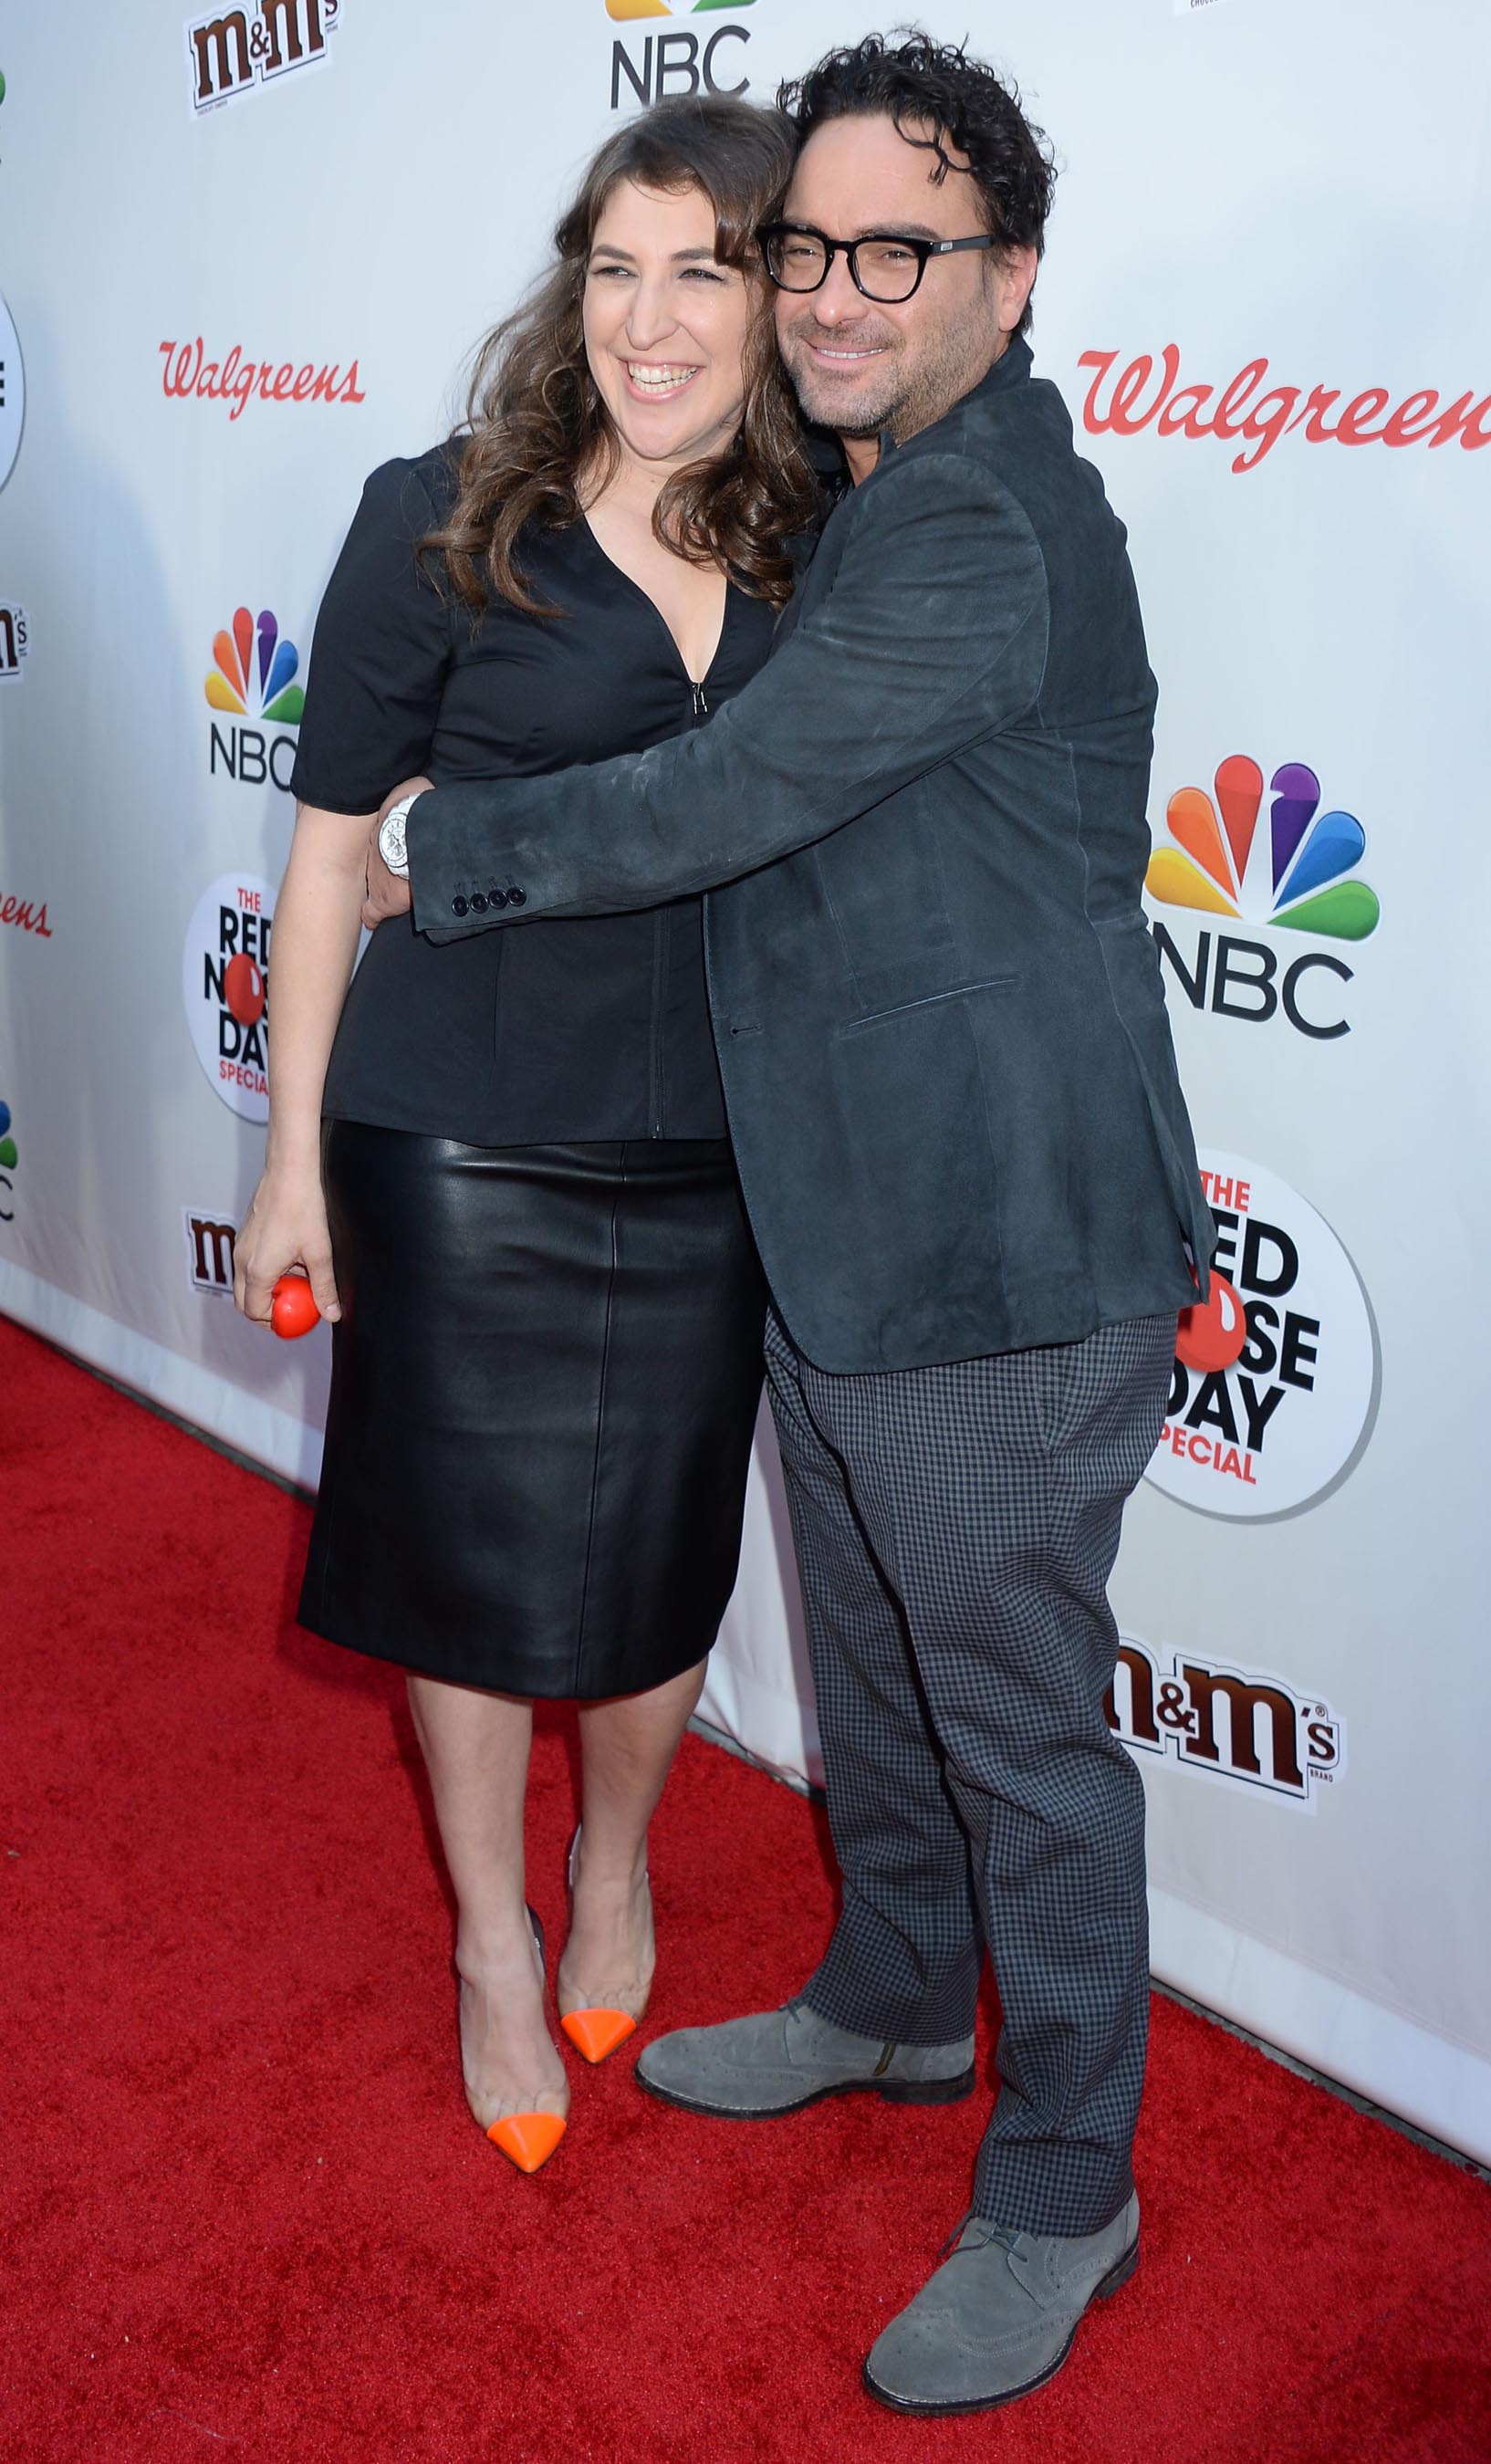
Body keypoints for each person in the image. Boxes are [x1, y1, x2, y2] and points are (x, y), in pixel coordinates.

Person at [367, 31, 1213, 2415]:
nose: (833, 292)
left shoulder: (976, 519)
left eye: (894, 249)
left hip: (995, 1256)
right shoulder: (867, 490)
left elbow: (740, 787)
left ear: (1007, 278)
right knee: (882, 1683)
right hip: (852, 1238)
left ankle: (1066, 2172)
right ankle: (890, 2003)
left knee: (1019, 1728)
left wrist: (474, 844)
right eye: (802, 244)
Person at [233, 97, 819, 2176]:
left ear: (778, 297)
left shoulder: (818, 539)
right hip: (456, 1134)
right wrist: (290, 1155)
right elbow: (324, 870)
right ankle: (494, 1933)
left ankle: (619, 1863)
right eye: (615, 267)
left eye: (704, 271)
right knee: (471, 1585)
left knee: (658, 1578)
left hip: (719, 1147)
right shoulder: (440, 520)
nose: (650, 322)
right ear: (574, 283)